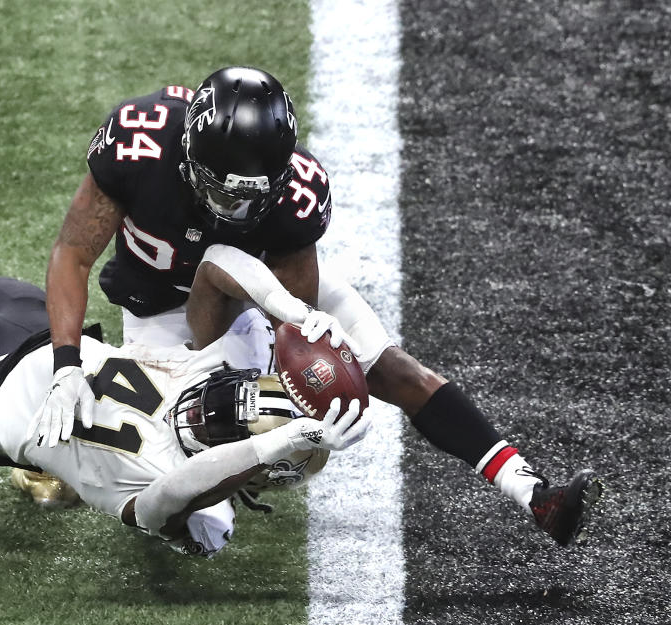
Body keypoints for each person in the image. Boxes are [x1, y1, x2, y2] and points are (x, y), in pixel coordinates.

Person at [34, 65, 603, 546]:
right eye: (226, 193)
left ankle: (534, 493)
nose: (237, 210)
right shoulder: (141, 141)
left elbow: (297, 309)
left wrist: (290, 389)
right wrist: (64, 364)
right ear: (190, 159)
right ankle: (75, 425)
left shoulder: (297, 193)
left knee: (394, 369)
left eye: (254, 194)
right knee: (197, 519)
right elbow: (72, 254)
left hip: (266, 292)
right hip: (163, 313)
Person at [0, 149, 370, 558]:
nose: (207, 407)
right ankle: (53, 472)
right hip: (50, 339)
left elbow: (173, 496)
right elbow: (220, 260)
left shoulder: (189, 497)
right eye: (230, 401)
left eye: (223, 421)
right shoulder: (215, 369)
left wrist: (277, 443)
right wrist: (289, 307)